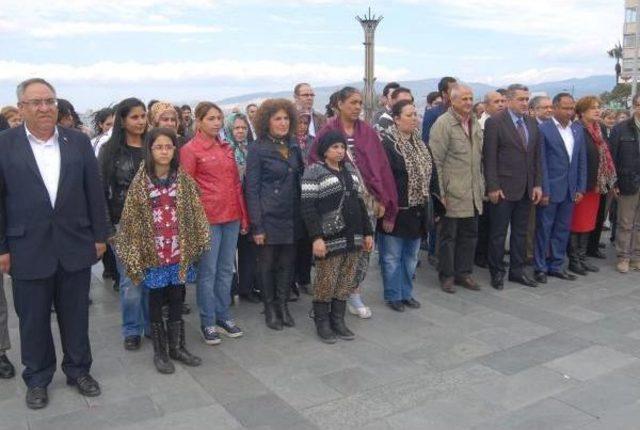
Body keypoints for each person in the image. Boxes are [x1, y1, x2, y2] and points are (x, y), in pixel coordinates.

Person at [0, 78, 108, 409]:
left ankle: (78, 370)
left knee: (76, 315)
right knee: (32, 320)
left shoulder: (77, 141)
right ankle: (37, 378)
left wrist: (101, 235)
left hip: (74, 243)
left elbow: (94, 191)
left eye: (50, 100)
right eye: (36, 102)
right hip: (26, 248)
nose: (45, 107)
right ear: (22, 107)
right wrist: (2, 247)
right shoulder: (5, 144)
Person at [114, 128, 208, 373]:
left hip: (178, 250)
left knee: (178, 296)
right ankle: (160, 351)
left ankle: (177, 346)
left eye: (168, 146)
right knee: (155, 300)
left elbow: (195, 211)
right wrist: (134, 250)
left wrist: (198, 241)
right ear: (150, 150)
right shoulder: (141, 181)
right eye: (159, 147)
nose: (164, 151)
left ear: (174, 150)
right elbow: (131, 219)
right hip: (153, 252)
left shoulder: (183, 178)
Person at [309, 87, 398, 319]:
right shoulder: (327, 131)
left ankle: (353, 292)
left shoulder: (367, 132)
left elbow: (380, 166)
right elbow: (314, 166)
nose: (357, 107)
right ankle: (327, 297)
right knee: (335, 252)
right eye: (352, 102)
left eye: (360, 102)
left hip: (365, 200)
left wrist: (382, 198)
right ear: (339, 104)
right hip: (334, 205)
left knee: (362, 249)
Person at [181, 102, 249, 344]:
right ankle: (207, 320)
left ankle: (223, 315)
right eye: (211, 118)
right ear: (199, 121)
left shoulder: (226, 147)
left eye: (219, 118)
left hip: (231, 215)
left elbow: (236, 185)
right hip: (207, 218)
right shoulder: (191, 149)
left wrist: (243, 215)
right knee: (207, 272)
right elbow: (186, 190)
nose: (217, 122)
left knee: (225, 271)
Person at [301, 131, 374, 342]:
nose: (340, 151)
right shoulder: (314, 172)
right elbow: (308, 207)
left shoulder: (350, 169)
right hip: (329, 237)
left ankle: (338, 320)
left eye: (342, 147)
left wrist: (367, 232)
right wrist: (316, 237)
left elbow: (360, 202)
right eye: (335, 147)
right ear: (324, 150)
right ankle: (322, 321)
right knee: (326, 279)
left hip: (354, 236)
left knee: (346, 279)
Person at [245, 98, 304, 330]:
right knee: (267, 265)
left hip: (291, 215)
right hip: (268, 217)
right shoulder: (257, 149)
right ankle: (270, 308)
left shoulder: (293, 145)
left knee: (287, 264)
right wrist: (257, 226)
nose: (282, 122)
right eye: (277, 118)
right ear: (266, 121)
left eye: (286, 118)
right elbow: (252, 189)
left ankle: (283, 306)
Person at [98, 97, 150, 350]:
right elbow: (100, 193)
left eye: (143, 116)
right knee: (131, 281)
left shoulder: (154, 145)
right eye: (135, 117)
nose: (140, 121)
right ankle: (132, 329)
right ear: (123, 120)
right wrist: (108, 229)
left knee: (155, 278)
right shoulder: (110, 152)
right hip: (125, 224)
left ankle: (152, 324)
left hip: (157, 224)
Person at [483, 84, 543, 290]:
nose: (525, 103)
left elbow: (536, 157)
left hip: (526, 188)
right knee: (498, 234)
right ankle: (496, 272)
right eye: (521, 99)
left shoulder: (532, 123)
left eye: (527, 99)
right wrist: (492, 186)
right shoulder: (495, 123)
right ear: (508, 101)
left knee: (520, 232)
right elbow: (489, 158)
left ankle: (517, 272)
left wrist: (537, 184)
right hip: (503, 188)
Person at [430, 84, 484, 293]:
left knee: (469, 235)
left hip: (472, 191)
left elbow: (479, 157)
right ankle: (447, 275)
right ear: (452, 101)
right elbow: (436, 162)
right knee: (448, 237)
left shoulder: (475, 122)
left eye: (471, 98)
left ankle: (464, 273)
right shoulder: (443, 124)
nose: (469, 102)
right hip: (452, 192)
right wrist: (440, 194)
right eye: (464, 99)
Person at [379, 100, 433, 309]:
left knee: (411, 257)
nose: (414, 119)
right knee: (392, 257)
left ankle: (406, 292)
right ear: (397, 119)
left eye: (415, 114)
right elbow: (384, 181)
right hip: (396, 210)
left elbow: (431, 172)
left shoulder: (419, 142)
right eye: (409, 115)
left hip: (417, 210)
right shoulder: (388, 144)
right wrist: (388, 212)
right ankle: (393, 295)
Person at [533, 93, 586, 283]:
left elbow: (581, 160)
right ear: (555, 108)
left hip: (570, 190)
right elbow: (542, 163)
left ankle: (556, 265)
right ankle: (539, 267)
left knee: (562, 229)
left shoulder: (577, 129)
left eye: (572, 108)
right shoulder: (544, 130)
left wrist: (580, 186)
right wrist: (545, 190)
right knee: (544, 230)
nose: (570, 111)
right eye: (565, 108)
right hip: (551, 189)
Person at [565, 96, 616, 275]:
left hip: (596, 184)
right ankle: (574, 260)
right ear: (582, 111)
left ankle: (582, 257)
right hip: (582, 185)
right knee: (577, 223)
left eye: (598, 107)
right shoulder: (576, 129)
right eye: (593, 108)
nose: (598, 110)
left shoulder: (598, 128)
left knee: (588, 222)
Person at [223, 112, 260, 303]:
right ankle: (229, 290)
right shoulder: (224, 150)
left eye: (243, 128)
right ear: (229, 128)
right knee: (228, 252)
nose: (240, 131)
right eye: (236, 127)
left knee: (249, 250)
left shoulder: (252, 149)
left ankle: (247, 288)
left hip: (250, 205)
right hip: (231, 206)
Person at [475, 90, 507, 268]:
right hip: (485, 180)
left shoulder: (504, 123)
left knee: (497, 223)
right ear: (486, 106)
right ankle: (481, 256)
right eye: (496, 102)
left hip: (501, 180)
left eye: (503, 101)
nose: (501, 104)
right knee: (485, 221)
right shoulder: (481, 125)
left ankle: (493, 254)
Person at [610, 95, 640, 273]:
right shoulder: (621, 129)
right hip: (628, 181)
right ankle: (623, 257)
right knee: (626, 223)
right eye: (638, 104)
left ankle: (637, 256)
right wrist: (614, 182)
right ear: (634, 106)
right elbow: (612, 157)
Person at [422, 76, 457, 143]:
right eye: (453, 90)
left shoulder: (461, 113)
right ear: (444, 93)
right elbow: (427, 141)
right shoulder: (432, 114)